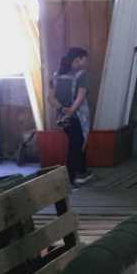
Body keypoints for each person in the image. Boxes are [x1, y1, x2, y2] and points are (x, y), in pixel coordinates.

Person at [48, 47, 94, 187]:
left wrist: (62, 109)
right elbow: (80, 97)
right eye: (84, 59)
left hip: (62, 117)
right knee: (77, 144)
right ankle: (70, 177)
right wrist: (71, 111)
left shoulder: (56, 75)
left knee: (78, 141)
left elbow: (50, 97)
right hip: (77, 117)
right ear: (77, 59)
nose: (86, 62)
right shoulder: (82, 75)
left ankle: (82, 171)